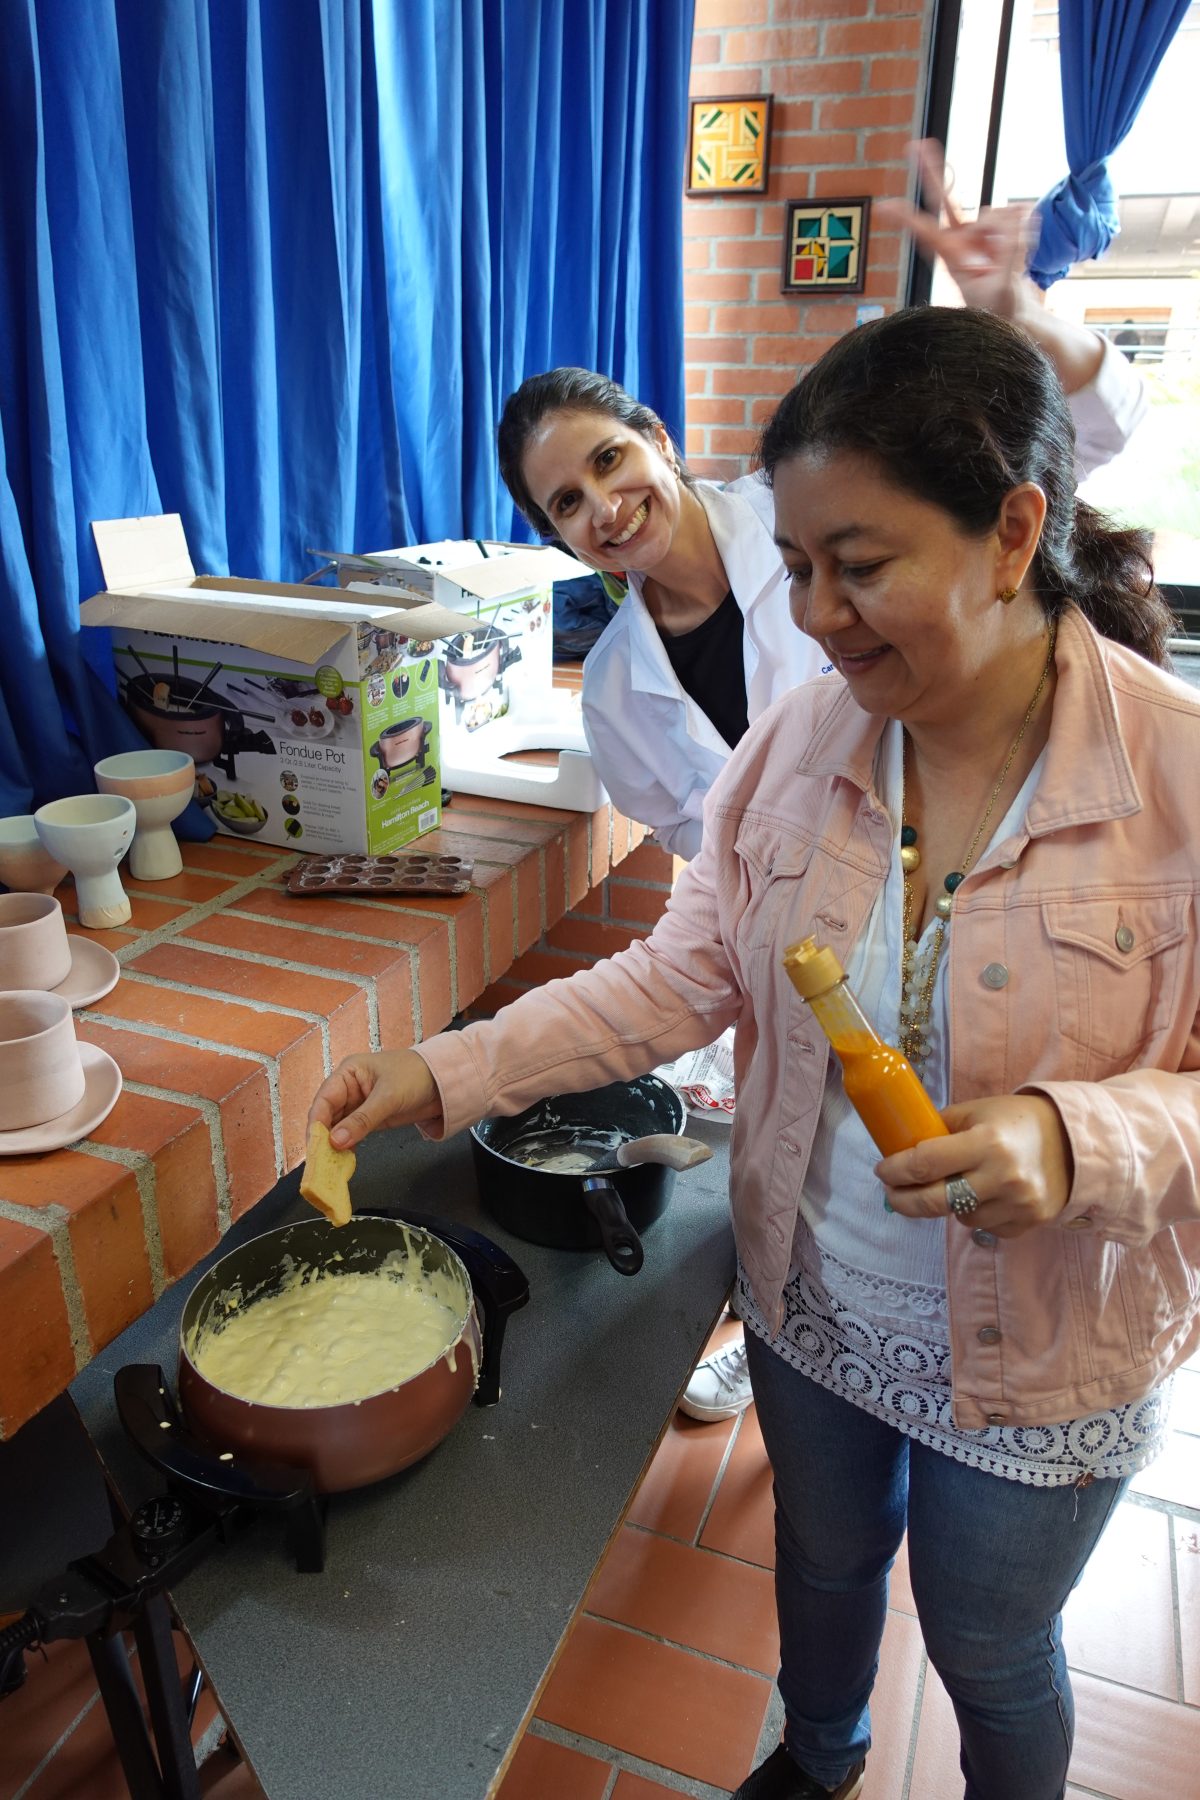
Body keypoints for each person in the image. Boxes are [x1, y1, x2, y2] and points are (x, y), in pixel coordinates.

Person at [310, 304, 1197, 1800]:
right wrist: (444, 1072)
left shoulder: (1174, 784)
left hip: (1048, 1347)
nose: (824, 617)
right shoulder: (798, 751)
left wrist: (1075, 1138)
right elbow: (683, 977)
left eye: (862, 566)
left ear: (1011, 531)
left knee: (988, 1649)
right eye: (797, 571)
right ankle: (824, 1753)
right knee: (827, 1560)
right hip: (815, 1300)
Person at [498, 140, 1150, 1426]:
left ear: (658, 439)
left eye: (610, 464)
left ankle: (981, 1379)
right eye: (566, 503)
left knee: (987, 1171)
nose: (603, 507)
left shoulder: (824, 502)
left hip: (986, 887)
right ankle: (784, 1320)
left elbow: (1082, 437)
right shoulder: (621, 690)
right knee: (824, 1180)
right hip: (815, 957)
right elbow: (719, 885)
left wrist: (1022, 315)